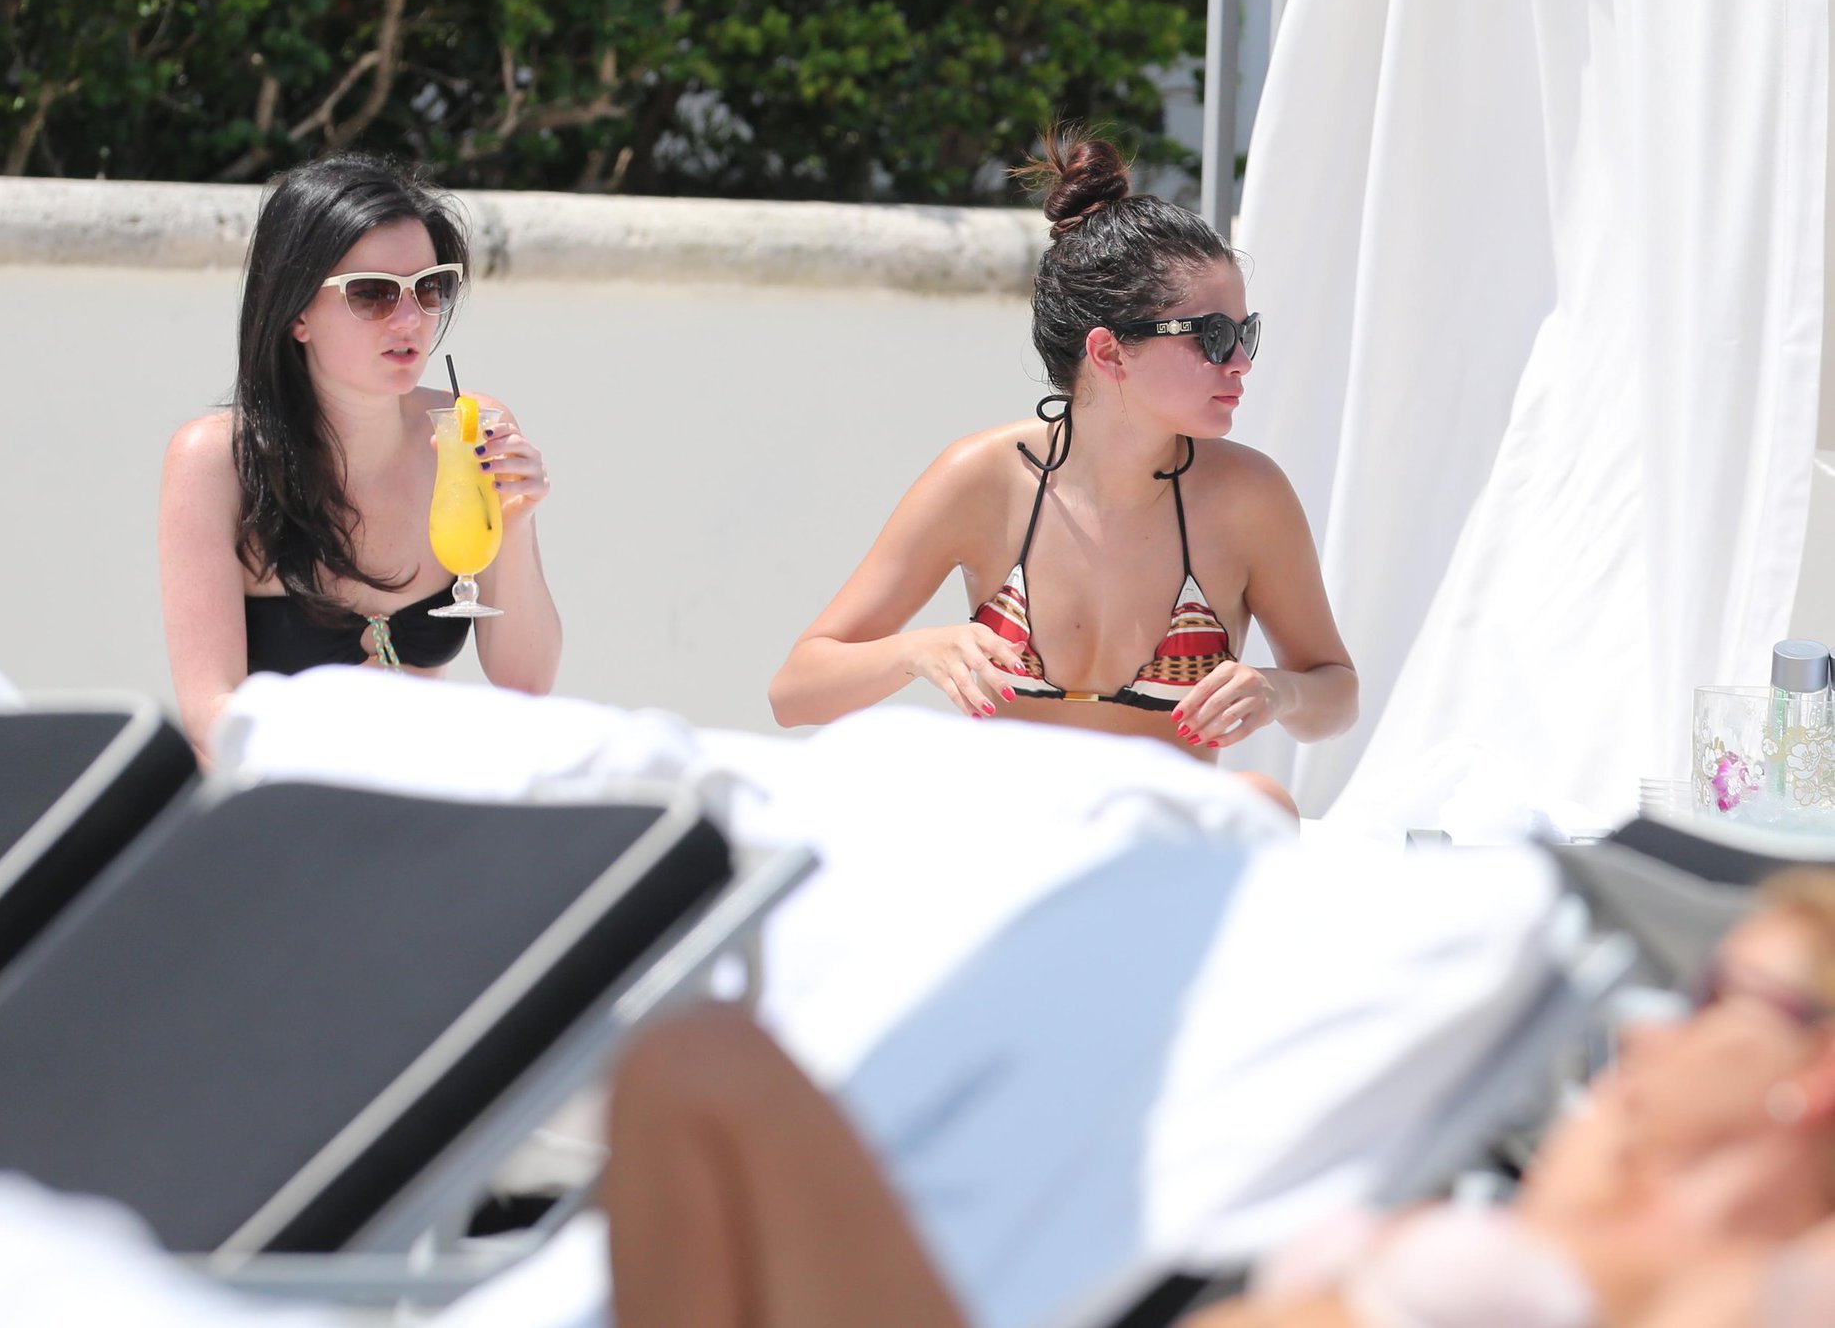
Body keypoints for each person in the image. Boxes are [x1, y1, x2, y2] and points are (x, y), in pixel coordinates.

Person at [604, 873, 1835, 1328]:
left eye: (1724, 990)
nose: (1652, 1019)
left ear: (1818, 1071)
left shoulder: (1770, 1281)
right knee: (696, 1072)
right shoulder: (1604, 1163)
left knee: (708, 1072)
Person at [770, 128, 1355, 786]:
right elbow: (795, 692)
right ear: (1108, 354)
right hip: (1018, 842)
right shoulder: (984, 479)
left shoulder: (1249, 496)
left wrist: (1282, 692)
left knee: (1261, 799)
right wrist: (917, 651)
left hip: (1165, 850)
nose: (1243, 361)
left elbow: (1334, 692)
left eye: (1246, 332)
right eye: (1214, 337)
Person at [158, 152, 560, 755]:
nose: (409, 319)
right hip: (280, 811)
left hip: (419, 806)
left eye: (430, 289)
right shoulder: (216, 463)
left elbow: (525, 685)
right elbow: (212, 713)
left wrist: (517, 520)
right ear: (297, 313)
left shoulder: (473, 430)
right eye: (372, 294)